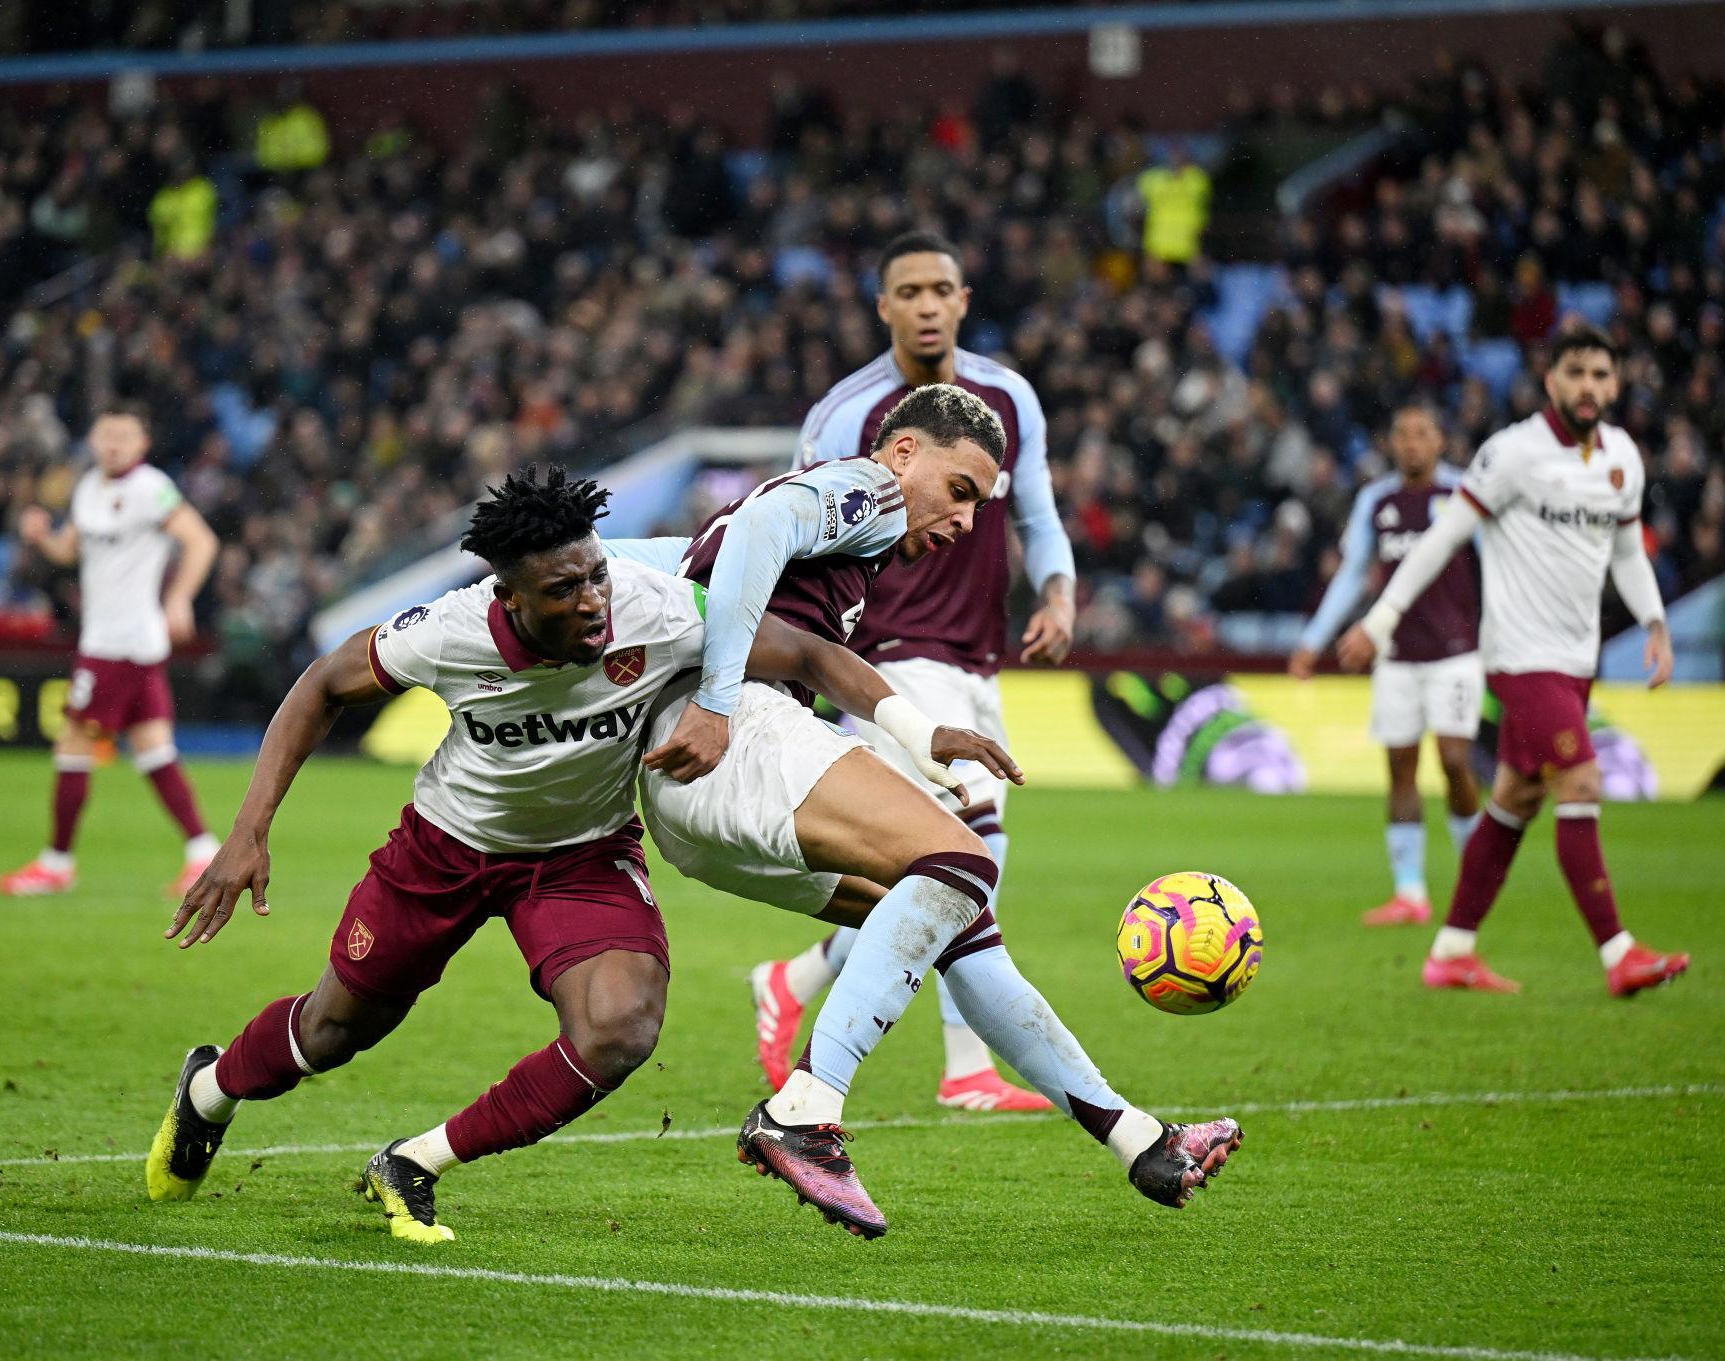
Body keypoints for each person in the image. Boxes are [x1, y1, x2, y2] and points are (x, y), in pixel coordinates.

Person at [144, 468, 1013, 1243]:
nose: (595, 600)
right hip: (445, 849)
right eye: (565, 588)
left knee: (620, 1027)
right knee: (334, 1030)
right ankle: (210, 1090)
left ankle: (413, 1160)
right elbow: (321, 684)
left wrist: (917, 730)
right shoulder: (448, 632)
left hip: (581, 856)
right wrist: (248, 829)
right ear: (511, 598)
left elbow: (810, 651)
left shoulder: (654, 606)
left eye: (596, 572)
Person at [613, 385, 1243, 1238]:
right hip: (735, 738)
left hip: (692, 795)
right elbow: (760, 536)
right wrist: (719, 700)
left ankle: (1138, 1139)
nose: (968, 521)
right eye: (960, 491)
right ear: (905, 452)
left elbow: (700, 582)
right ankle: (806, 1106)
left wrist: (919, 731)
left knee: (957, 918)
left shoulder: (827, 540)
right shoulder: (866, 487)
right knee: (965, 859)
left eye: (981, 504)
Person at [747, 230, 1076, 1114]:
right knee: (970, 847)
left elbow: (1038, 513)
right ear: (884, 306)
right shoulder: (845, 413)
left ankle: (795, 978)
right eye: (910, 291)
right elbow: (792, 531)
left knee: (937, 868)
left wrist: (1059, 595)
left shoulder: (1009, 398)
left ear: (963, 300)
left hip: (977, 659)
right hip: (888, 659)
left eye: (942, 289)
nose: (928, 304)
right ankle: (966, 1068)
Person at [1338, 328, 1689, 997]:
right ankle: (1619, 953)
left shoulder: (1622, 457)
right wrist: (1382, 619)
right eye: (1575, 372)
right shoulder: (1512, 453)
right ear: (1550, 381)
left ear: (1616, 385)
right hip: (1521, 656)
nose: (1588, 386)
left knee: (1515, 800)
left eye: (1600, 374)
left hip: (1576, 657)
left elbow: (1625, 552)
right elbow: (1442, 538)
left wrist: (1655, 621)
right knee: (1580, 783)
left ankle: (1451, 951)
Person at [0, 402, 221, 898]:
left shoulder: (150, 488)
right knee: (155, 750)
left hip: (118, 645)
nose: (114, 445)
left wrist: (179, 598)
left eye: (125, 436)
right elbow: (70, 551)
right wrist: (43, 538)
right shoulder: (88, 488)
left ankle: (57, 863)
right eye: (106, 435)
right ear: (94, 440)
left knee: (73, 743)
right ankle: (203, 851)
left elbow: (202, 541)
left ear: (143, 444)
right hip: (121, 643)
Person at [1291, 404, 1483, 926]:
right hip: (1396, 657)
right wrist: (1314, 639)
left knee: (1454, 760)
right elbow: (1353, 573)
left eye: (1422, 433)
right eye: (1402, 434)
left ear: (1440, 441)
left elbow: (1497, 562)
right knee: (1400, 768)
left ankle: (1477, 877)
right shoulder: (1376, 500)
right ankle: (1410, 893)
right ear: (1390, 443)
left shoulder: (1464, 495)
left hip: (1455, 654)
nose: (1411, 443)